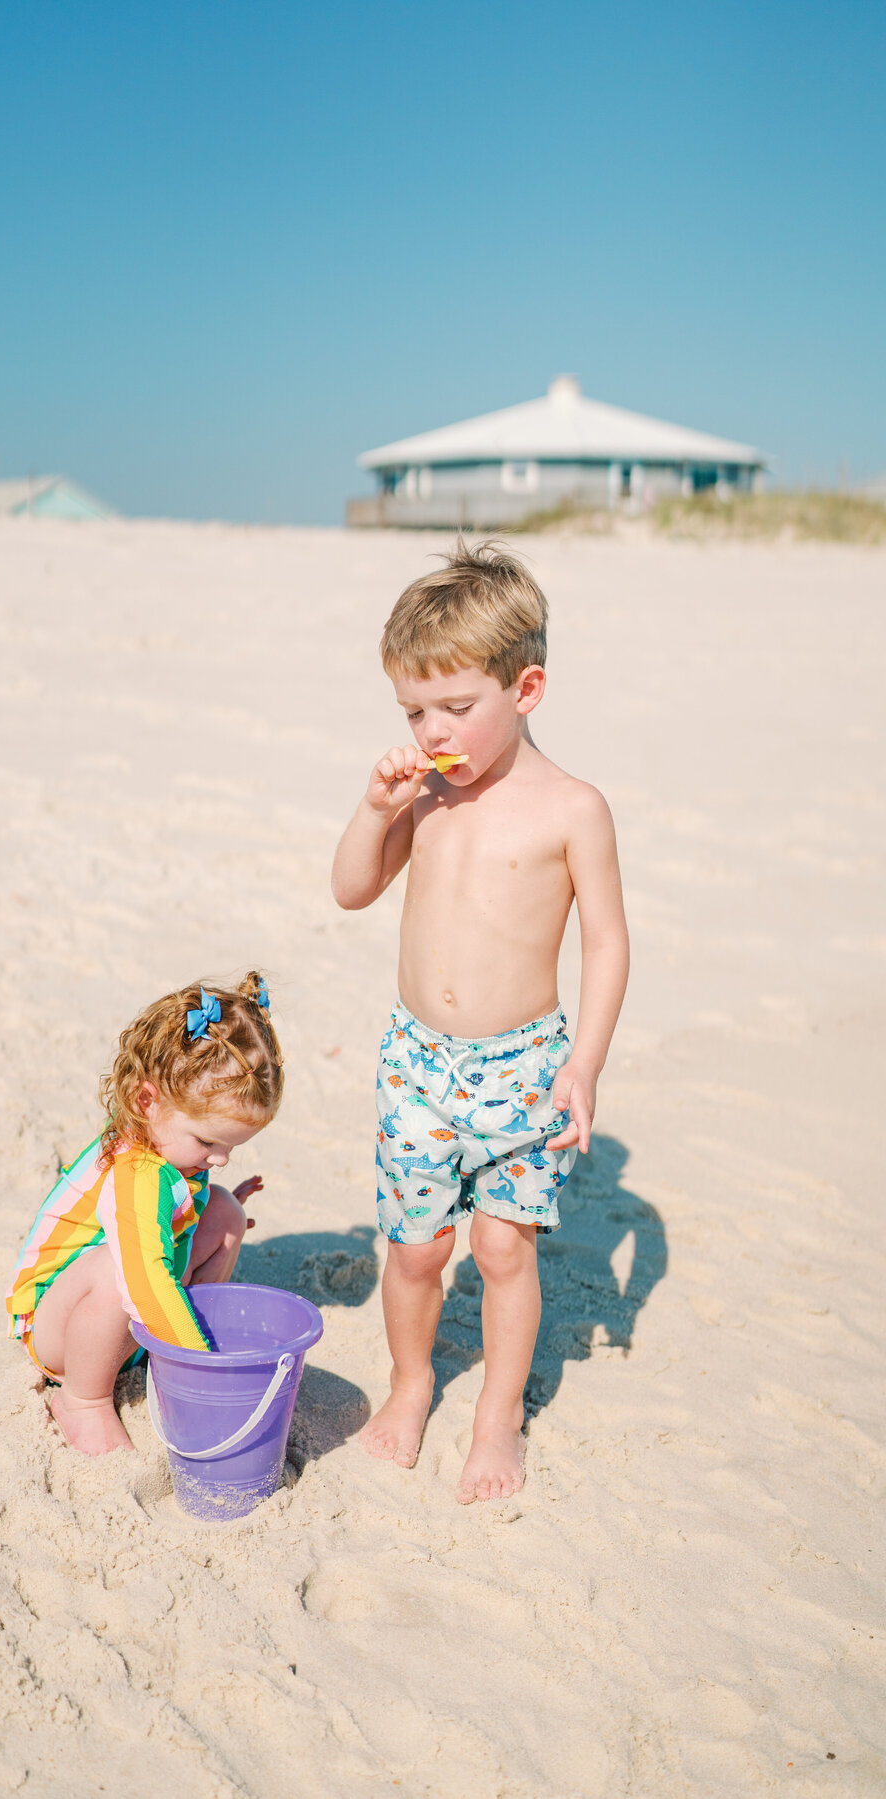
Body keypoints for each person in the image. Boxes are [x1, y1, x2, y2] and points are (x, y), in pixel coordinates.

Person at [331, 541, 629, 1503]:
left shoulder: (573, 808)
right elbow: (351, 890)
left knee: (504, 1248)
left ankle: (497, 1417)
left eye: (457, 707)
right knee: (417, 1249)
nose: (433, 729)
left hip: (523, 1066)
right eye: (414, 710)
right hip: (418, 1061)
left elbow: (608, 944)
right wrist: (376, 810)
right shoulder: (425, 791)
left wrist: (583, 1063)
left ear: (526, 686)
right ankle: (412, 1382)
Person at [6, 974, 283, 1456]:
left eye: (231, 1146)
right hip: (61, 1332)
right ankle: (84, 1401)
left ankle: (170, 1346)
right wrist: (203, 1367)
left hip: (123, 1316)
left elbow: (173, 1217)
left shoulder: (169, 1137)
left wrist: (210, 1208)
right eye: (208, 1142)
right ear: (145, 1101)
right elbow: (145, 1281)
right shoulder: (135, 1171)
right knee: (120, 1272)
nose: (219, 1159)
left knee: (226, 1211)